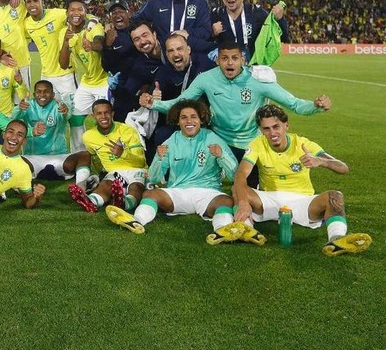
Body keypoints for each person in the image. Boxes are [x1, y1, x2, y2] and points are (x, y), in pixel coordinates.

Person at [139, 40, 331, 186]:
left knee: (254, 187)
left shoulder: (258, 80)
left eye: (234, 58)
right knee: (205, 181)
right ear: (217, 60)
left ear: (243, 60)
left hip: (251, 144)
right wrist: (154, 104)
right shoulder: (206, 79)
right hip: (220, 140)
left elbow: (294, 104)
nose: (229, 63)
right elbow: (181, 103)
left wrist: (315, 105)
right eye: (224, 58)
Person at [232, 104, 371, 256]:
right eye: (266, 129)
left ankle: (336, 239)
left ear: (286, 125)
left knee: (335, 196)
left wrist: (321, 161)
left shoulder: (303, 144)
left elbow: (343, 168)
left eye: (276, 126)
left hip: (303, 202)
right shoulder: (258, 144)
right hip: (269, 200)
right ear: (261, 130)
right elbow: (240, 174)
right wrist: (244, 202)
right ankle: (246, 229)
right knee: (237, 190)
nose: (272, 133)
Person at [104, 100, 247, 246]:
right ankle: (137, 221)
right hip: (178, 192)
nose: (189, 121)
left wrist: (222, 155)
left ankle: (221, 230)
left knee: (226, 201)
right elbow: (153, 178)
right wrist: (159, 159)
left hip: (208, 192)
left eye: (193, 117)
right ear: (178, 121)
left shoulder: (212, 138)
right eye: (184, 117)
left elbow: (234, 175)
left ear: (201, 119)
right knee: (150, 194)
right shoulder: (171, 142)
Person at [69, 100, 147, 214]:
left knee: (135, 187)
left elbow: (141, 162)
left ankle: (124, 203)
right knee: (106, 185)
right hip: (114, 172)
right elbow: (95, 159)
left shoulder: (128, 130)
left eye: (107, 112)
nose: (103, 116)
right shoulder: (88, 136)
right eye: (99, 113)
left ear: (113, 114)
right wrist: (100, 174)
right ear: (93, 116)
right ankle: (90, 201)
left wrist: (123, 153)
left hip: (136, 170)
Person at [13, 80, 95, 187]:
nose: (42, 95)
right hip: (32, 158)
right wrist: (18, 109)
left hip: (58, 158)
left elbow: (67, 114)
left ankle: (81, 186)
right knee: (12, 159)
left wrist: (65, 111)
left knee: (84, 155)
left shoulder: (59, 106)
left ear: (52, 94)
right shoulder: (27, 106)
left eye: (46, 92)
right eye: (39, 92)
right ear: (34, 94)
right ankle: (21, 188)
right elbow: (12, 120)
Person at [59, 0, 108, 152]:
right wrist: (66, 43)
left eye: (80, 9)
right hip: (86, 83)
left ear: (85, 13)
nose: (76, 13)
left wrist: (91, 44)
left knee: (105, 118)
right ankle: (79, 154)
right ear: (66, 13)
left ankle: (106, 152)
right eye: (72, 10)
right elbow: (63, 64)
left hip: (104, 82)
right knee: (76, 117)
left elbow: (100, 43)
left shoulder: (94, 27)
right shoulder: (65, 33)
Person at [211, 0, 289, 63]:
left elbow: (283, 38)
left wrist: (280, 19)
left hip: (252, 70)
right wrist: (212, 33)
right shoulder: (216, 15)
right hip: (226, 70)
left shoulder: (256, 13)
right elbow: (204, 43)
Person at [23, 0, 75, 101]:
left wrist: (92, 24)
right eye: (28, 2)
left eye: (36, 1)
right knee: (48, 113)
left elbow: (79, 15)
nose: (32, 5)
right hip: (45, 75)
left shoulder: (58, 14)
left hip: (65, 75)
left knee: (72, 113)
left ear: (43, 1)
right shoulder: (26, 24)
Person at [101, 0, 138, 122]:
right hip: (120, 91)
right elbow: (107, 66)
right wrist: (108, 45)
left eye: (121, 11)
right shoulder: (109, 36)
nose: (117, 15)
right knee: (121, 126)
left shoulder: (137, 31)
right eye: (113, 13)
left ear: (128, 13)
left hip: (140, 87)